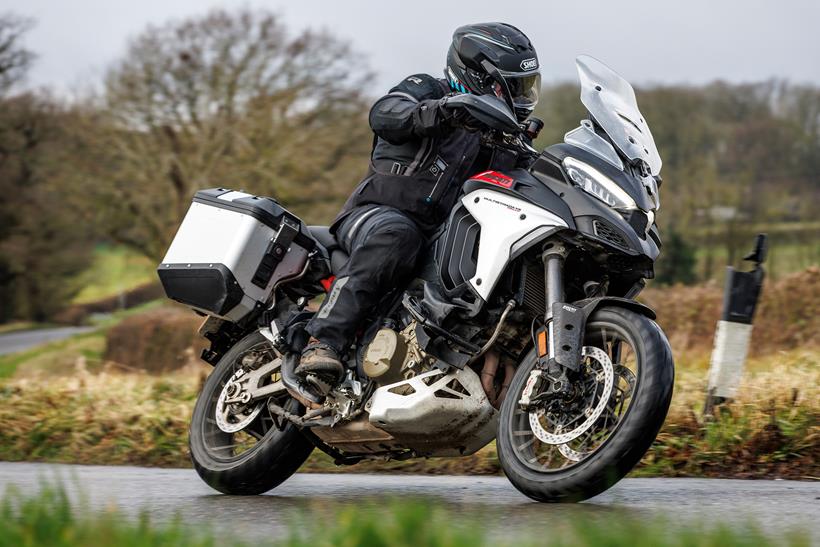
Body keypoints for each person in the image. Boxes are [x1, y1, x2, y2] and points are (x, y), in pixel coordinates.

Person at [296, 22, 542, 395]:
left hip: (443, 238)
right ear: (479, 76)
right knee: (397, 235)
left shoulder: (503, 140)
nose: (523, 96)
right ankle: (322, 342)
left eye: (528, 86)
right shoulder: (429, 90)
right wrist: (444, 111)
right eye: (513, 86)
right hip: (376, 214)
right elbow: (385, 114)